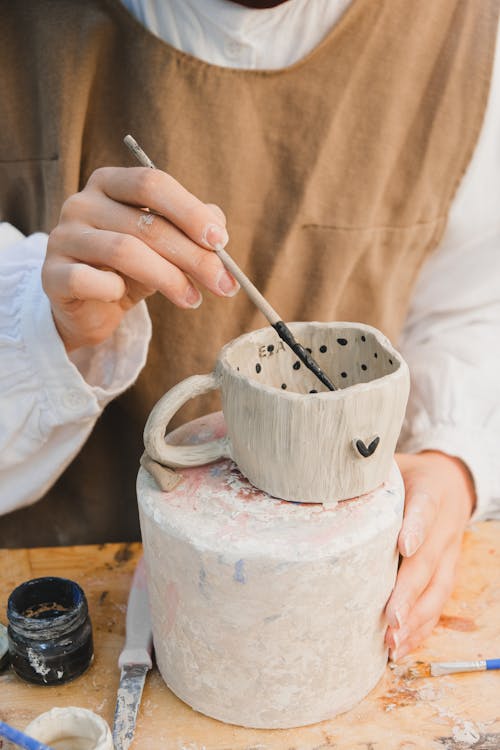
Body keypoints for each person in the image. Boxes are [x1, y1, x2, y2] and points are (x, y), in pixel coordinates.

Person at [0, 0, 499, 663]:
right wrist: (52, 325)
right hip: (76, 620)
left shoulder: (465, 28)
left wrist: (451, 461)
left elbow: (472, 310)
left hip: (336, 617)